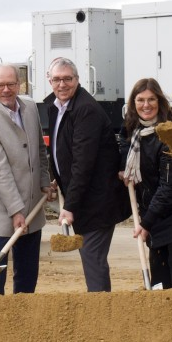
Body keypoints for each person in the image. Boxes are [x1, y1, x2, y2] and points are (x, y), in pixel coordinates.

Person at [43, 57, 127, 292]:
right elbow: (60, 150)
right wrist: (56, 177)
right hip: (84, 198)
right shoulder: (56, 106)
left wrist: (69, 206)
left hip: (97, 200)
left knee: (92, 258)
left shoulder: (86, 110)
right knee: (91, 258)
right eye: (57, 79)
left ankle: (101, 310)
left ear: (77, 80)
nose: (62, 84)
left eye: (68, 79)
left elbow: (83, 163)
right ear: (49, 81)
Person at [0, 63, 46, 295]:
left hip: (32, 205)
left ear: (19, 85)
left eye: (10, 84)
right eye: (0, 85)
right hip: (2, 209)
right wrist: (16, 211)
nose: (5, 89)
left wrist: (44, 181)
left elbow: (40, 151)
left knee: (27, 272)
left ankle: (22, 318)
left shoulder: (30, 108)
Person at [122, 79, 172, 289]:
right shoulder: (134, 132)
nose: (145, 105)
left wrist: (145, 223)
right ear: (133, 103)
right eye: (140, 100)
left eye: (151, 99)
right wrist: (123, 167)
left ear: (160, 101)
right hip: (155, 217)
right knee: (159, 281)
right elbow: (123, 149)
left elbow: (170, 187)